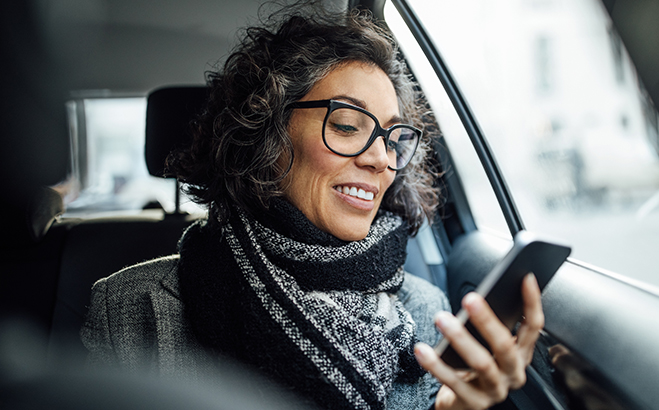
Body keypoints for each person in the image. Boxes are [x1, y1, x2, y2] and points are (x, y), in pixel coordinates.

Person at [80, 5, 544, 410]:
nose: (381, 159)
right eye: (346, 124)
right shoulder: (132, 308)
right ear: (267, 135)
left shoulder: (426, 310)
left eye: (392, 137)